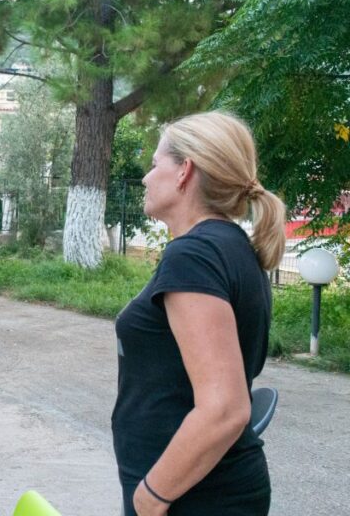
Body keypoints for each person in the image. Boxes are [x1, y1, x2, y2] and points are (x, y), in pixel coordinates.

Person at [112, 112, 285, 515]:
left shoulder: (193, 255)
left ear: (184, 171)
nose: (145, 177)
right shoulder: (230, 246)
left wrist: (151, 496)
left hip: (190, 495)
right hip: (202, 489)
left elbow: (225, 408)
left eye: (155, 164)